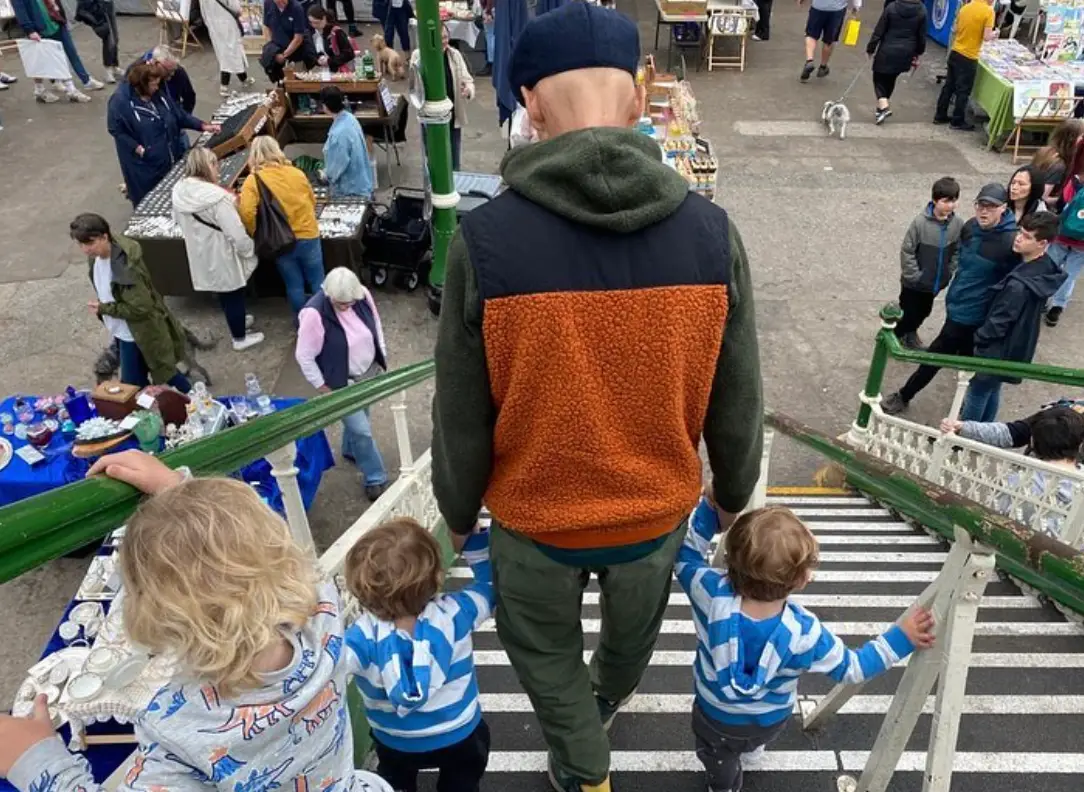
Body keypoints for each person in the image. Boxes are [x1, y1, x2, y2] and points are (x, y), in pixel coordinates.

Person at [431, 5, 764, 791]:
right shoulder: (712, 235)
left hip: (535, 517)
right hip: (655, 516)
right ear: (641, 91)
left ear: (530, 106)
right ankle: (604, 706)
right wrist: (735, 492)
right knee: (626, 647)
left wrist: (457, 510)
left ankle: (585, 765)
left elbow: (460, 410)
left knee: (545, 658)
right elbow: (739, 391)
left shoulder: (482, 244)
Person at [0, 449, 395, 792]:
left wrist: (35, 759)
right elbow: (260, 549)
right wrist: (179, 492)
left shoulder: (180, 725)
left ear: (156, 620)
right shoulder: (320, 606)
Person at [675, 501, 935, 792]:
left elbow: (685, 558)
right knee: (753, 740)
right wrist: (901, 639)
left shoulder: (709, 592)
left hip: (715, 716)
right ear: (801, 581)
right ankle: (751, 751)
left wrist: (711, 509)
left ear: (729, 558)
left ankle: (723, 785)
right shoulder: (805, 631)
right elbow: (853, 668)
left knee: (718, 756)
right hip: (769, 720)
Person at [344, 518, 493, 790]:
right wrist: (474, 541)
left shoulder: (360, 637)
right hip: (459, 732)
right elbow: (491, 584)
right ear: (436, 577)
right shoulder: (458, 612)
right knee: (463, 777)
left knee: (394, 776)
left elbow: (326, 666)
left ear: (360, 590)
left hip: (394, 739)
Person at [882, 183, 1019, 415]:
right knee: (966, 363)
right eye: (980, 205)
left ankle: (906, 396)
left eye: (991, 207)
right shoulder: (970, 227)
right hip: (957, 307)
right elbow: (957, 256)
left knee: (940, 357)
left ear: (1004, 208)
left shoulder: (1010, 243)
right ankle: (965, 413)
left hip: (974, 317)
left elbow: (1014, 284)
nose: (984, 211)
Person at [960, 212, 1066, 422]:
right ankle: (985, 429)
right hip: (1016, 346)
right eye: (1020, 231)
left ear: (1042, 243)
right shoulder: (1046, 268)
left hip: (997, 347)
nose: (1018, 237)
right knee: (992, 388)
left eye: (1027, 236)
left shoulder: (1018, 285)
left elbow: (999, 322)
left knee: (977, 391)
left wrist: (979, 338)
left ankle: (965, 436)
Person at [295, 268, 389, 500]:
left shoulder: (362, 295)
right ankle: (375, 477)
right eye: (340, 303)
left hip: (368, 374)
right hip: (343, 384)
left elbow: (376, 325)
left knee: (362, 418)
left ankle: (350, 449)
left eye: (350, 302)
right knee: (363, 431)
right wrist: (322, 387)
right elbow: (304, 355)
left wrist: (382, 357)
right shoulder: (313, 314)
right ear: (328, 295)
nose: (346, 307)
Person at [71, 213, 192, 393]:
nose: (86, 249)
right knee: (160, 372)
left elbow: (141, 307)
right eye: (81, 244)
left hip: (135, 333)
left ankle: (194, 398)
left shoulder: (125, 268)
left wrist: (104, 308)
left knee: (134, 385)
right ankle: (194, 396)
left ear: (105, 236)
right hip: (125, 330)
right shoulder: (98, 257)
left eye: (90, 243)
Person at [172, 146, 265, 352]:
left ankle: (238, 321)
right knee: (233, 290)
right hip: (222, 251)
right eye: (215, 164)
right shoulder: (217, 198)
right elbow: (236, 232)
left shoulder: (179, 191)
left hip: (199, 251)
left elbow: (176, 220)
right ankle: (239, 337)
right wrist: (249, 250)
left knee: (224, 291)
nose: (218, 169)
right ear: (207, 166)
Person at [942, 407, 1084, 538]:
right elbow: (1014, 432)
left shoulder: (1018, 482)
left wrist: (962, 427)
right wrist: (964, 427)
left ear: (1033, 441)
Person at [108, 63, 216, 208]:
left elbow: (178, 114)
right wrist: (137, 148)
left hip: (168, 157)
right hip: (144, 167)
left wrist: (202, 125)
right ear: (142, 85)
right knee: (150, 202)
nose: (157, 88)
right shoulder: (120, 103)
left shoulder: (158, 96)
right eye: (153, 85)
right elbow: (115, 130)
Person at [239, 136, 326, 316]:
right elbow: (312, 199)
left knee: (294, 286)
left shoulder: (253, 181)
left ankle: (302, 323)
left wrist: (254, 231)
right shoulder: (296, 173)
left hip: (280, 240)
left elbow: (247, 212)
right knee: (318, 281)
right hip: (309, 234)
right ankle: (323, 319)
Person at [895, 176, 964, 350]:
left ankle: (910, 332)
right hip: (915, 283)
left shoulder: (957, 224)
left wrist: (948, 271)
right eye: (946, 201)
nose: (951, 205)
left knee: (924, 311)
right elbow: (907, 250)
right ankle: (897, 336)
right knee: (909, 312)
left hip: (935, 282)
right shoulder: (920, 223)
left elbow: (957, 250)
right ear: (935, 200)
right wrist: (915, 276)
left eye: (954, 200)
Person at [12, 0, 105, 104]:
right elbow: (20, 10)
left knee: (68, 53)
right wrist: (29, 30)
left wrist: (59, 12)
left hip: (56, 21)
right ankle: (53, 89)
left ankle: (80, 83)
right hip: (41, 28)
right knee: (44, 59)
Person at [411, 24, 474, 170]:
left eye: (446, 37)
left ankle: (456, 185)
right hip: (430, 117)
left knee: (454, 158)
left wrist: (468, 90)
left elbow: (468, 79)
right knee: (432, 158)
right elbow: (415, 85)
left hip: (452, 115)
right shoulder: (418, 56)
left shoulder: (455, 55)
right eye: (439, 39)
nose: (444, 42)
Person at [934, 0, 996, 130]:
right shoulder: (988, 11)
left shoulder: (965, 8)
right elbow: (986, 36)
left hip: (956, 51)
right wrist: (995, 34)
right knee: (963, 90)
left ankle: (940, 114)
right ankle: (957, 120)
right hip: (969, 56)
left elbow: (955, 29)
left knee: (949, 86)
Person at [866, 0, 926, 125]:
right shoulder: (922, 10)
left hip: (887, 48)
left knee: (878, 77)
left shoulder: (891, 7)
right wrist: (918, 53)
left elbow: (879, 30)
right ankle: (881, 109)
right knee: (891, 78)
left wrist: (871, 48)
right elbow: (921, 36)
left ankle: (884, 105)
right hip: (906, 51)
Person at [1045, 139, 1084, 328]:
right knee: (1070, 273)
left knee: (1051, 265)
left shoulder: (1075, 182)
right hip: (1082, 243)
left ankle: (1043, 297)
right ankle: (1057, 307)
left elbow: (1063, 203)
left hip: (1062, 233)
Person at [321, 86, 374, 198]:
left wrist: (325, 175)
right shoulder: (350, 118)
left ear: (325, 106)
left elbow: (337, 166)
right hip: (362, 182)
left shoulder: (338, 134)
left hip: (350, 190)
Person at [199, 0, 255, 97]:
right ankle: (226, 85)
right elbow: (235, 7)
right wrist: (239, 11)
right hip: (227, 22)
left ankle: (242, 79)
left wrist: (209, 24)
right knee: (234, 52)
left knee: (223, 53)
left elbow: (203, 12)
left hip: (214, 24)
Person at [798, 0, 861, 83]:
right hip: (837, 9)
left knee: (811, 35)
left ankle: (809, 60)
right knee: (829, 40)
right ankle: (823, 66)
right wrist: (857, 6)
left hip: (818, 7)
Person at [1031, 118, 1083, 210]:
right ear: (1072, 139)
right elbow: (1042, 198)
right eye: (1082, 136)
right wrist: (1064, 199)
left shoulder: (1046, 151)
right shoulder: (1058, 165)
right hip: (1045, 212)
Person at [262, 0, 317, 82]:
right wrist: (272, 50)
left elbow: (298, 37)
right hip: (277, 52)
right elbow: (267, 27)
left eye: (284, 1)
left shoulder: (296, 8)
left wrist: (284, 55)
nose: (282, 3)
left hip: (295, 53)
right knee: (280, 84)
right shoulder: (268, 4)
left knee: (297, 84)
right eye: (278, 2)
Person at [74, 0, 122, 84]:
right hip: (97, 6)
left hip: (108, 4)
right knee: (109, 39)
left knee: (115, 38)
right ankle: (108, 69)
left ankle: (114, 66)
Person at [143, 46, 197, 116]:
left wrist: (184, 117)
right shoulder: (139, 74)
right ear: (156, 64)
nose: (172, 74)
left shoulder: (178, 72)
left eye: (173, 70)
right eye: (169, 71)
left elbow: (189, 97)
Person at [309, 6, 357, 74]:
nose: (314, 25)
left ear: (324, 18)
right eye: (311, 22)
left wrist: (329, 61)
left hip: (340, 72)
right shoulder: (314, 33)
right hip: (326, 72)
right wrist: (318, 59)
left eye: (317, 22)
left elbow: (349, 53)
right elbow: (313, 52)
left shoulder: (336, 32)